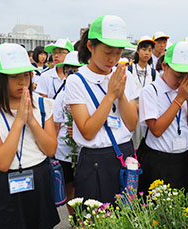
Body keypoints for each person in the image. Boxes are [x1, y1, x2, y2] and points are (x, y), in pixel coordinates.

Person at [0, 43, 60, 228]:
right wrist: (18, 122)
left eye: (26, 74)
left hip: (39, 178)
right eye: (14, 77)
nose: (22, 82)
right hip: (7, 185)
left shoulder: (42, 104)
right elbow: (2, 162)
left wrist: (32, 121)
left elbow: (50, 149)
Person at [64, 15, 138, 204]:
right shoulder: (76, 81)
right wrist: (111, 94)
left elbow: (131, 124)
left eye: (118, 52)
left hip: (124, 156)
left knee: (126, 216)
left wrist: (121, 94)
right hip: (94, 162)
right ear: (90, 46)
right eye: (107, 52)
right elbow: (87, 131)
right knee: (96, 219)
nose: (113, 59)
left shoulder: (124, 76)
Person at [138, 41, 188, 200]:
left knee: (181, 210)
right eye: (178, 75)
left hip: (182, 160)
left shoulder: (187, 91)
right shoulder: (151, 91)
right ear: (165, 66)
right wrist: (180, 98)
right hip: (157, 160)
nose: (182, 80)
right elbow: (156, 130)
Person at [53, 51, 84, 215]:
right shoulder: (61, 97)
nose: (72, 74)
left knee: (85, 186)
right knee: (69, 187)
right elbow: (56, 125)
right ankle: (75, 219)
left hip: (84, 152)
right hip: (64, 151)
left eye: (76, 70)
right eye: (68, 71)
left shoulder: (88, 95)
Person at [128, 35, 156, 148]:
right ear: (138, 50)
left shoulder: (153, 72)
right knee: (133, 136)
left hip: (148, 107)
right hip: (132, 106)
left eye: (150, 50)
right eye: (144, 49)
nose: (147, 53)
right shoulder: (130, 70)